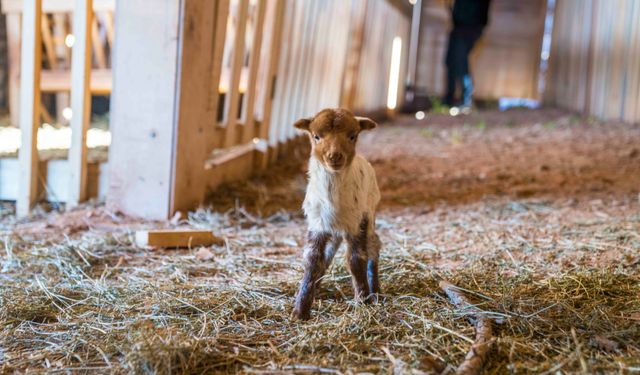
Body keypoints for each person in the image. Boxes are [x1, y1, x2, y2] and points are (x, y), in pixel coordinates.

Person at [443, 0, 491, 109]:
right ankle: (449, 98)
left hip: (470, 26)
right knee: (451, 61)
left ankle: (466, 100)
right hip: (459, 25)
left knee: (460, 63)